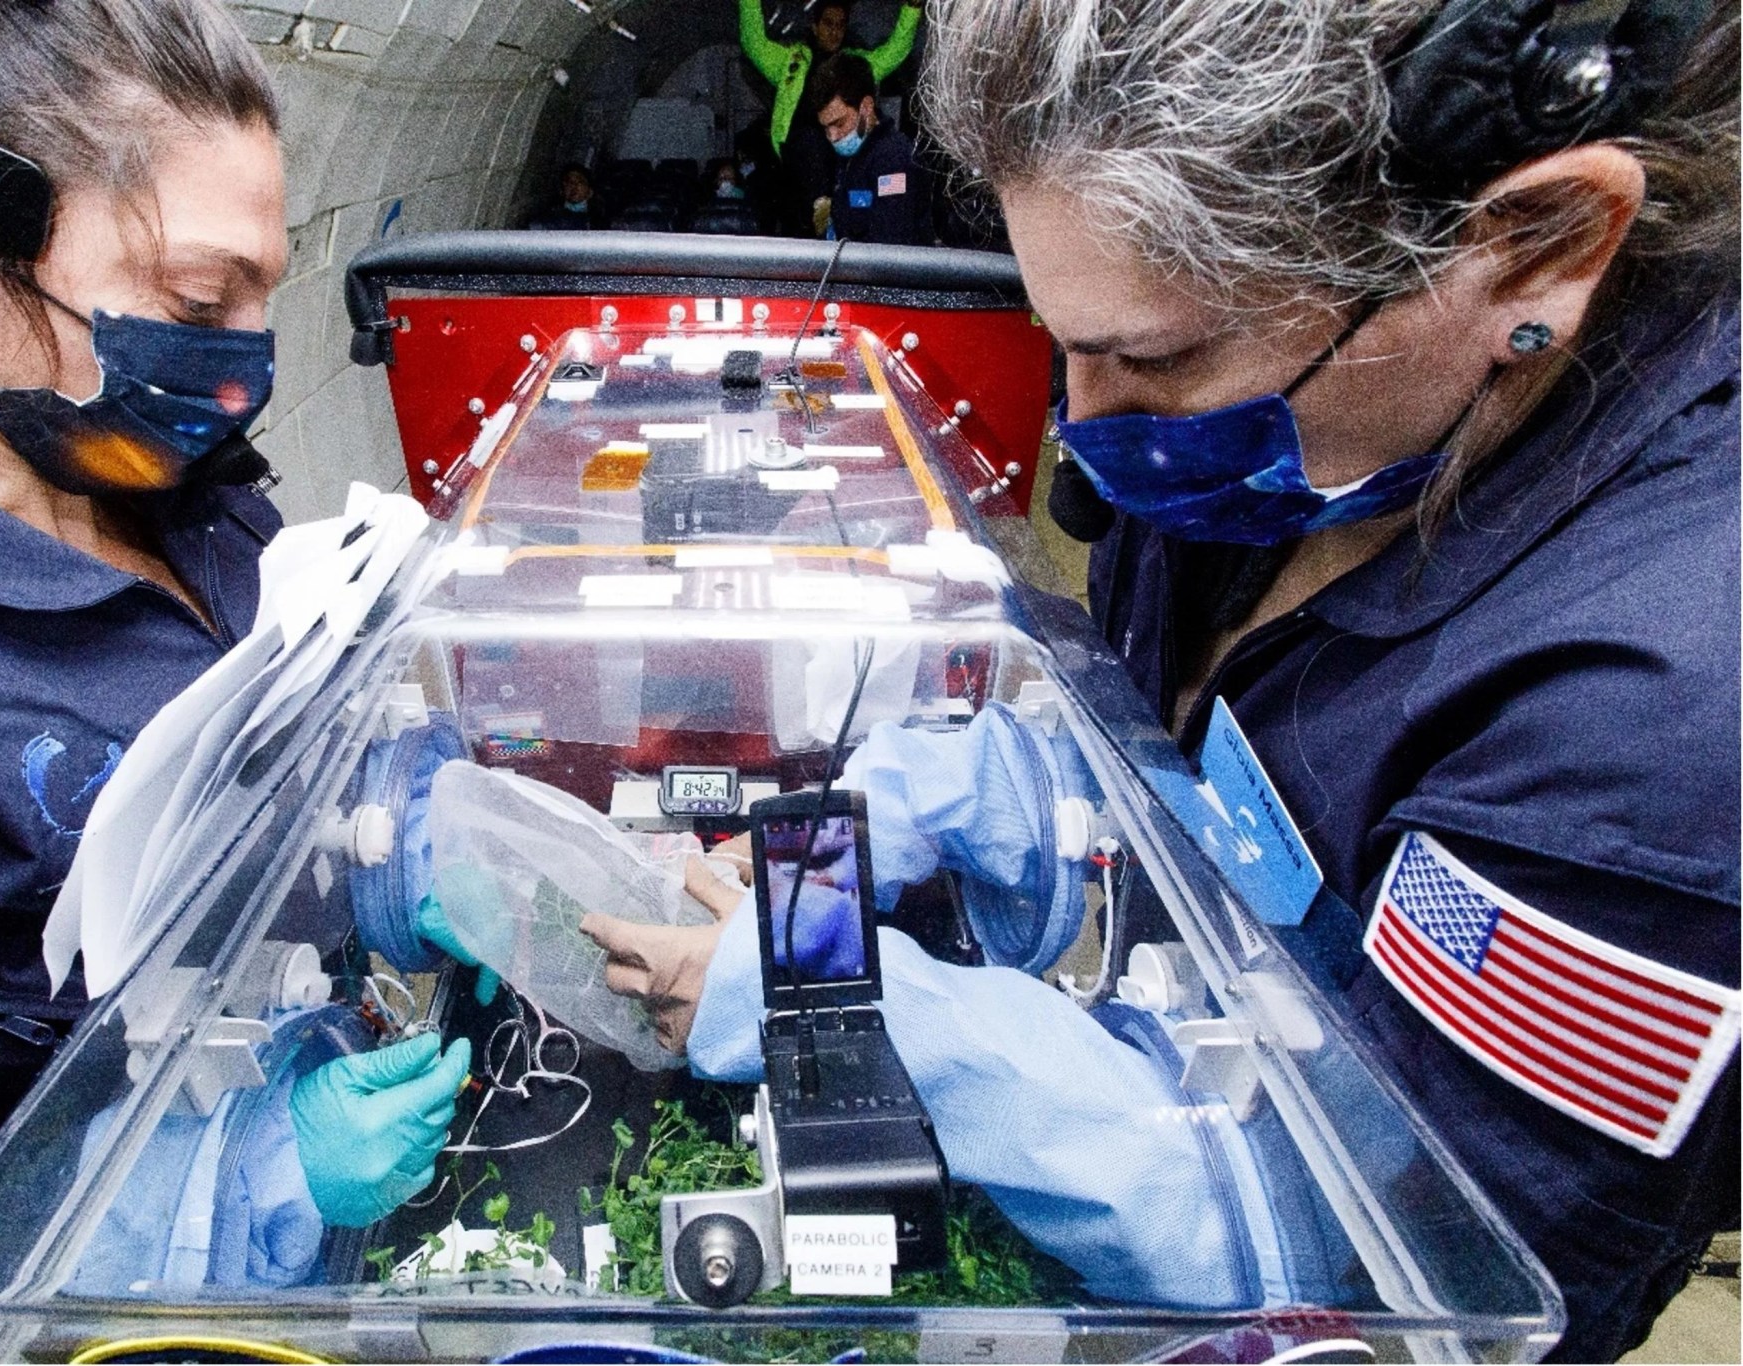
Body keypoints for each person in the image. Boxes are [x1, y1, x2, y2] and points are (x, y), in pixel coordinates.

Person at [583, 0, 1740, 1357]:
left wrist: (872, 1013)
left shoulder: (1654, 720)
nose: (1087, 420)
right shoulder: (1269, 438)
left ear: (1532, 247)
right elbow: (1170, 759)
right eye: (1061, 340)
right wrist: (954, 793)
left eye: (1157, 355)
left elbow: (1406, 1269)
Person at [0, 2, 473, 1358]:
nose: (244, 367)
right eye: (194, 299)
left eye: (261, 292)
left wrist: (398, 834)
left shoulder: (139, 467)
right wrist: (238, 1183)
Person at [737, 0, 923, 233]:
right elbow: (754, 42)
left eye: (840, 25)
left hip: (842, 166)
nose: (834, 31)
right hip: (797, 165)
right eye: (828, 23)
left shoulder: (857, 66)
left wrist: (911, 9)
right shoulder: (790, 62)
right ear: (814, 26)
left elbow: (895, 51)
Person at [806, 54, 929, 243]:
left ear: (866, 107)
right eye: (826, 127)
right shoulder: (851, 156)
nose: (833, 136)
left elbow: (891, 248)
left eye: (839, 124)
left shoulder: (894, 160)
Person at [534, 162, 600, 230]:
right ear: (562, 191)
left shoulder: (598, 223)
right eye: (569, 182)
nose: (573, 186)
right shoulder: (548, 220)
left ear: (590, 192)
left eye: (580, 181)